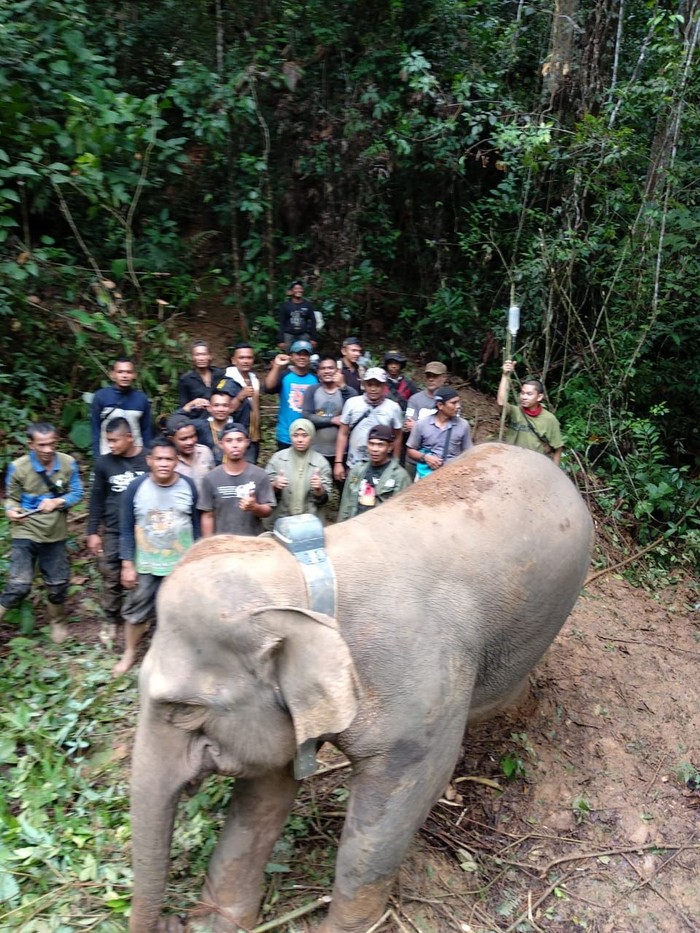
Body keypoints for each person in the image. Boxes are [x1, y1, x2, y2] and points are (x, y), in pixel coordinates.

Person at [115, 437, 200, 675]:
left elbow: (196, 525)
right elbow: (126, 527)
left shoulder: (188, 486)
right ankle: (130, 652)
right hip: (147, 563)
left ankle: (181, 658)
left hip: (181, 564)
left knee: (183, 611)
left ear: (176, 461)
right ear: (149, 460)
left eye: (169, 459)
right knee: (137, 608)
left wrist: (197, 561)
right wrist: (127, 564)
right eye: (159, 458)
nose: (164, 463)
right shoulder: (136, 487)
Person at [1, 423, 83, 643]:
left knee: (57, 584)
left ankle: (57, 621)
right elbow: (11, 498)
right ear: (31, 444)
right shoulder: (18, 467)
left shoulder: (67, 463)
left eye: (52, 444)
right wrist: (11, 511)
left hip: (55, 532)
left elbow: (77, 492)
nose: (48, 449)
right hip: (25, 529)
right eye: (42, 445)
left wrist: (58, 501)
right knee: (18, 585)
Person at [86, 417, 148, 642]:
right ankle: (111, 619)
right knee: (111, 574)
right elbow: (96, 498)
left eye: (115, 440)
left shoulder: (149, 459)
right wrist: (92, 531)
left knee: (143, 574)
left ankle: (138, 618)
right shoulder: (104, 463)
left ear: (129, 437)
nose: (111, 445)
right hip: (114, 529)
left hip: (145, 529)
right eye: (108, 441)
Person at [198, 425, 276, 537]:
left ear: (247, 442)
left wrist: (255, 507)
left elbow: (268, 511)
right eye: (229, 441)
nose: (234, 445)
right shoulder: (211, 478)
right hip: (222, 542)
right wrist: (208, 544)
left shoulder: (260, 475)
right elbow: (207, 516)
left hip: (252, 541)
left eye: (239, 440)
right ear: (221, 444)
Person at [333, 368, 403, 485]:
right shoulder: (352, 403)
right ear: (364, 385)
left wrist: (395, 461)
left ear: (384, 386)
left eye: (378, 385)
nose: (373, 389)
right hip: (355, 463)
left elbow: (397, 436)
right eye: (369, 384)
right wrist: (338, 462)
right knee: (353, 492)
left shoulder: (393, 408)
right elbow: (343, 433)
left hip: (382, 465)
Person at [337, 424, 411, 521]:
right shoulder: (357, 470)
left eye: (380, 445)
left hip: (380, 526)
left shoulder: (399, 476)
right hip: (355, 523)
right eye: (371, 444)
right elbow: (346, 503)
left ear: (389, 447)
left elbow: (400, 512)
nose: (374, 449)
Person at [265, 419, 332, 523]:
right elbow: (264, 494)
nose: (300, 440)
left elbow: (325, 500)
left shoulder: (321, 463)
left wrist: (319, 489)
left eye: (304, 435)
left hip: (310, 522)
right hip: (280, 519)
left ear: (312, 437)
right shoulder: (277, 459)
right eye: (295, 435)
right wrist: (274, 485)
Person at [497, 360, 563, 465]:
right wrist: (505, 376)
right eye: (522, 393)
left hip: (533, 466)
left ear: (539, 397)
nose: (524, 397)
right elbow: (501, 403)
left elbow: (558, 448)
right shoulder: (515, 412)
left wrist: (554, 471)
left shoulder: (549, 419)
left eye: (529, 394)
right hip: (510, 462)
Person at [302, 356, 357, 473]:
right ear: (318, 372)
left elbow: (354, 413)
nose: (327, 371)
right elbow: (306, 416)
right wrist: (332, 420)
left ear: (338, 371)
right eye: (323, 368)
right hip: (316, 451)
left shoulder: (349, 391)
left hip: (343, 452)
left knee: (342, 483)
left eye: (331, 368)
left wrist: (343, 387)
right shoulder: (311, 390)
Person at [90, 358, 152, 459]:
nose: (124, 375)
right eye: (120, 372)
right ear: (112, 374)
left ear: (134, 375)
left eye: (129, 372)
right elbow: (95, 429)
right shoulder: (101, 396)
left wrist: (147, 455)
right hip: (108, 453)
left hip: (135, 454)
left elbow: (146, 430)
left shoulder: (141, 399)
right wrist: (97, 457)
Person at [406, 386, 473, 478]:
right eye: (453, 403)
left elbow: (469, 452)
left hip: (452, 476)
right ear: (440, 405)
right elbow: (410, 450)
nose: (458, 406)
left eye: (458, 402)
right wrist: (426, 457)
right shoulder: (422, 424)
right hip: (426, 475)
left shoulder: (463, 425)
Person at [264, 341, 318, 449]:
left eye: (305, 354)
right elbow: (268, 387)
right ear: (291, 356)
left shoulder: (315, 378)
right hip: (286, 433)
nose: (302, 357)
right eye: (298, 354)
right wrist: (277, 366)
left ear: (310, 358)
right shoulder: (285, 375)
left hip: (308, 435)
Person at [221, 342, 262, 463]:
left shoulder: (254, 379)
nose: (246, 361)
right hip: (235, 438)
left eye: (249, 357)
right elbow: (223, 411)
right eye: (242, 357)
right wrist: (240, 396)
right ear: (234, 360)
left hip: (253, 436)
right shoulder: (227, 382)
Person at [164, 415, 215, 493]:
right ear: (171, 439)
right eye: (183, 439)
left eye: (192, 436)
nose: (190, 442)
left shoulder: (205, 452)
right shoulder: (167, 460)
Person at [177, 341, 225, 419]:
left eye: (204, 354)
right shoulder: (186, 379)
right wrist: (194, 403)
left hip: (220, 416)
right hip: (198, 419)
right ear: (193, 357)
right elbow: (183, 408)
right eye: (197, 355)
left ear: (210, 356)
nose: (201, 358)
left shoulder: (219, 374)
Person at [404, 361, 448, 434]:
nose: (431, 379)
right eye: (428, 376)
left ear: (444, 378)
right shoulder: (415, 399)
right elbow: (409, 425)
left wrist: (418, 427)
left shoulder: (450, 399)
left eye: (435, 376)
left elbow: (452, 429)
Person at [195, 389, 236, 464]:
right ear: (209, 408)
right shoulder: (200, 427)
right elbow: (175, 423)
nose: (220, 409)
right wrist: (189, 406)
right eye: (216, 405)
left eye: (225, 405)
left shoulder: (237, 428)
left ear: (231, 407)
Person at [277, 280, 318, 350]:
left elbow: (313, 321)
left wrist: (313, 338)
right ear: (291, 291)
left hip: (303, 334)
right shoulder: (285, 306)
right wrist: (281, 340)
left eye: (300, 288)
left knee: (304, 352)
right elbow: (282, 323)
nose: (299, 290)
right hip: (289, 334)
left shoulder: (308, 305)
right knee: (288, 353)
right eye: (296, 288)